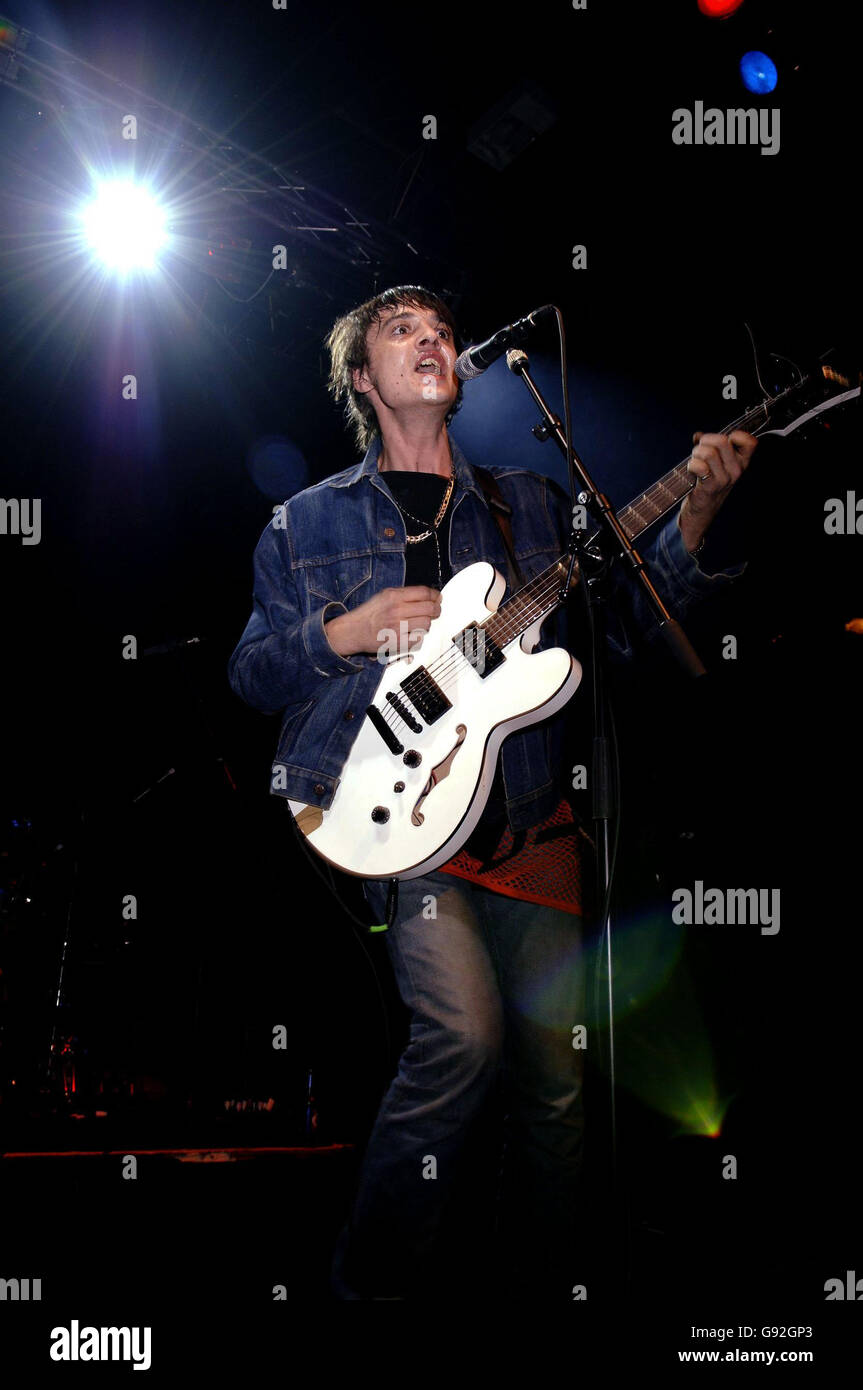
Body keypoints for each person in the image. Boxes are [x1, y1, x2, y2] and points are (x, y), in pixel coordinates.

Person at [228, 285, 756, 1300]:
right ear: (359, 378)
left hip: (524, 817)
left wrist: (689, 516)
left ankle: (548, 1294)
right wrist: (341, 635)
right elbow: (249, 673)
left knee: (556, 1087)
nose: (431, 339)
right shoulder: (304, 520)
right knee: (461, 1036)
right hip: (393, 816)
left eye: (440, 329)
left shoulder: (524, 505)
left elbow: (624, 643)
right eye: (400, 331)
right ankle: (368, 1292)